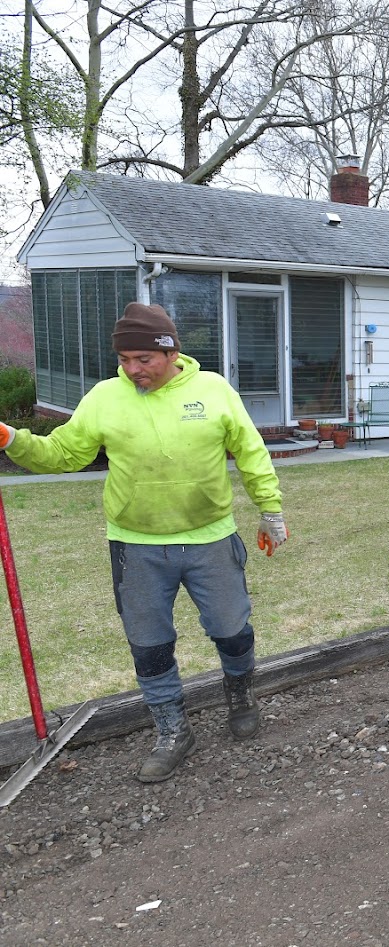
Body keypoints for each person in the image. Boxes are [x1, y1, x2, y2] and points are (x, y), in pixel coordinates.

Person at [0, 302, 288, 783]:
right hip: (136, 545)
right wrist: (11, 438)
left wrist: (270, 509)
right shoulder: (105, 398)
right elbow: (64, 454)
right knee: (149, 645)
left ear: (170, 351)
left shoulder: (213, 390)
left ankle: (240, 695)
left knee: (232, 629)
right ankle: (173, 730)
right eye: (125, 360)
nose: (132, 370)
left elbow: (250, 451)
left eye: (143, 360)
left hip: (210, 537)